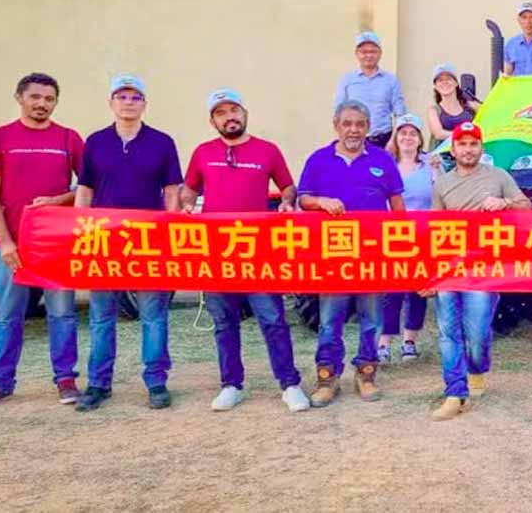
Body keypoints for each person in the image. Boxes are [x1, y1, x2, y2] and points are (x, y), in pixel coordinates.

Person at [180, 89, 310, 413]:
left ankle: (289, 383)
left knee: (273, 319)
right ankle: (231, 384)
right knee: (224, 322)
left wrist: (287, 201)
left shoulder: (267, 150)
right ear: (213, 120)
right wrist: (185, 206)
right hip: (217, 253)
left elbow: (287, 185)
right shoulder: (202, 153)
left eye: (234, 110)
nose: (229, 117)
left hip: (258, 253)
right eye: (221, 113)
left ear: (244, 113)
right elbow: (189, 189)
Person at [74, 75, 183, 411]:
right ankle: (98, 383)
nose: (128, 102)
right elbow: (86, 189)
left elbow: (171, 190)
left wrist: (170, 231)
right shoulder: (95, 142)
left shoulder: (162, 142)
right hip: (104, 242)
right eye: (122, 96)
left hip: (148, 241)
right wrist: (77, 228)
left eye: (135, 97)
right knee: (102, 316)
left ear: (144, 104)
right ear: (111, 103)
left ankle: (156, 381)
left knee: (153, 315)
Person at [298, 100, 406, 407]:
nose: (353, 130)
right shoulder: (319, 159)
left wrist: (400, 244)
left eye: (359, 124)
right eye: (347, 123)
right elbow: (303, 199)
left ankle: (366, 374)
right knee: (330, 320)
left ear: (368, 127)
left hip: (371, 256)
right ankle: (327, 378)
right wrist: (321, 201)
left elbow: (398, 206)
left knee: (372, 319)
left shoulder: (383, 160)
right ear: (336, 125)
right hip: (335, 256)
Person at [428, 122, 532, 420]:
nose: (468, 149)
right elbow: (434, 230)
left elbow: (526, 206)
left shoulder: (498, 176)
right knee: (448, 332)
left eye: (474, 144)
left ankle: (477, 370)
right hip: (449, 267)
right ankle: (454, 392)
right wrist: (431, 273)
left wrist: (505, 202)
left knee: (477, 332)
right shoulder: (442, 184)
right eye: (463, 144)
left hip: (485, 268)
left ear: (481, 148)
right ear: (454, 149)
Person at [0, 73, 83, 405]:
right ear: (20, 98)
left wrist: (59, 200)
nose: (41, 104)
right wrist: (4, 241)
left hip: (56, 246)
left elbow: (87, 187)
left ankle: (65, 378)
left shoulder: (68, 138)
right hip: (11, 245)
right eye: (35, 97)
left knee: (62, 314)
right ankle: (1, 381)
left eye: (49, 99)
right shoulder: (0, 138)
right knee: (8, 315)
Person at [379, 114, 432, 363]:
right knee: (392, 289)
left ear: (420, 138)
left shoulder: (431, 164)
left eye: (413, 133)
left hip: (422, 235)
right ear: (396, 137)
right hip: (394, 235)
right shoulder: (385, 164)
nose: (408, 138)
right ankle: (385, 342)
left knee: (417, 289)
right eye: (403, 133)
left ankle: (410, 340)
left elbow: (440, 196)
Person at [334, 31, 407, 149]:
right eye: (364, 52)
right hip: (354, 141)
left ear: (380, 53)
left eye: (373, 51)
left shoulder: (391, 81)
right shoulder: (347, 81)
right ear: (357, 54)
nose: (368, 55)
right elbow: (338, 114)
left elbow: (400, 114)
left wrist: (393, 141)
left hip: (383, 141)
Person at [426, 63, 479, 149]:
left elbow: (490, 114)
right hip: (442, 158)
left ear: (456, 83)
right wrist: (466, 133)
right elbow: (439, 134)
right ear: (435, 86)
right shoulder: (433, 110)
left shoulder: (470, 106)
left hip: (468, 155)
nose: (445, 83)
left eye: (448, 79)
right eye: (440, 80)